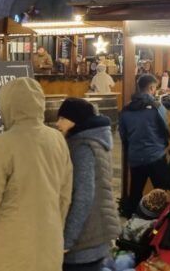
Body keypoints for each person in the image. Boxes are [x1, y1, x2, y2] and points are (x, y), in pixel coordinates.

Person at [0, 78, 72, 271]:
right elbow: (64, 198)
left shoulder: (2, 144)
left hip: (9, 251)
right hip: (48, 245)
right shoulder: (57, 139)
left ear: (7, 105)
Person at [56, 98, 120, 271]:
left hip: (85, 242)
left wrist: (66, 240)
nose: (57, 123)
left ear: (75, 120)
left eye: (62, 118)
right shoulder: (95, 140)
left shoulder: (82, 147)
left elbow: (83, 196)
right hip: (96, 233)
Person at [119, 74, 170, 217]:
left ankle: (130, 222)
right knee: (162, 192)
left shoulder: (126, 109)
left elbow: (123, 135)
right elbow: (167, 128)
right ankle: (161, 225)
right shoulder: (157, 107)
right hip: (156, 156)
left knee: (135, 192)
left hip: (136, 156)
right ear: (152, 88)